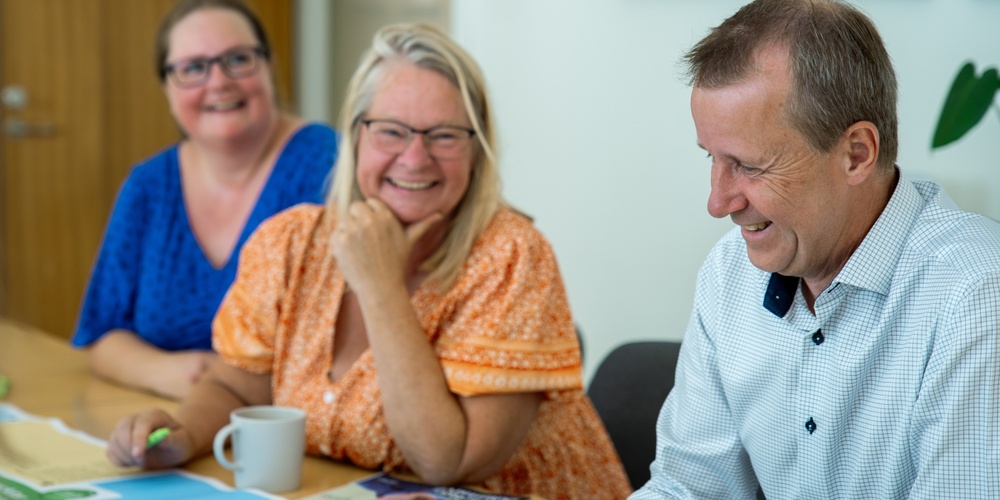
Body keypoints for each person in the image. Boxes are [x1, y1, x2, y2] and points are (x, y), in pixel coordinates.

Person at [105, 23, 631, 499]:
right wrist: (184, 435)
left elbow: (446, 461)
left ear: (477, 149)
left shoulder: (512, 255)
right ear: (355, 135)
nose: (414, 158)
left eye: (444, 135)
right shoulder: (289, 240)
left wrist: (380, 286)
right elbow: (236, 384)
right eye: (391, 130)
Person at [632, 0, 1000, 498]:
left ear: (856, 155)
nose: (718, 202)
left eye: (749, 165)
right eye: (712, 159)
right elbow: (687, 489)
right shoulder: (728, 271)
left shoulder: (975, 295)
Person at [71, 0, 338, 401]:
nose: (218, 82)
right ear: (166, 86)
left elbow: (342, 338)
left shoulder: (329, 164)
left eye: (238, 59)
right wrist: (166, 372)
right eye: (193, 68)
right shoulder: (149, 185)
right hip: (172, 420)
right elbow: (101, 334)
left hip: (291, 431)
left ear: (270, 66)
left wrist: (223, 387)